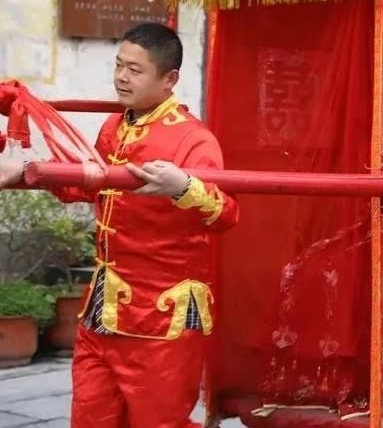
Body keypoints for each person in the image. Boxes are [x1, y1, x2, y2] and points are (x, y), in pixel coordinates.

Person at [0, 23, 239, 428]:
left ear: (170, 79)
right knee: (91, 416)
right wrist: (26, 173)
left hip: (161, 316)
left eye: (135, 70)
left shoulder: (193, 139)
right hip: (102, 307)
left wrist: (183, 187)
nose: (121, 77)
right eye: (118, 65)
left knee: (158, 421)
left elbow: (226, 214)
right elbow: (88, 189)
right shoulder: (115, 127)